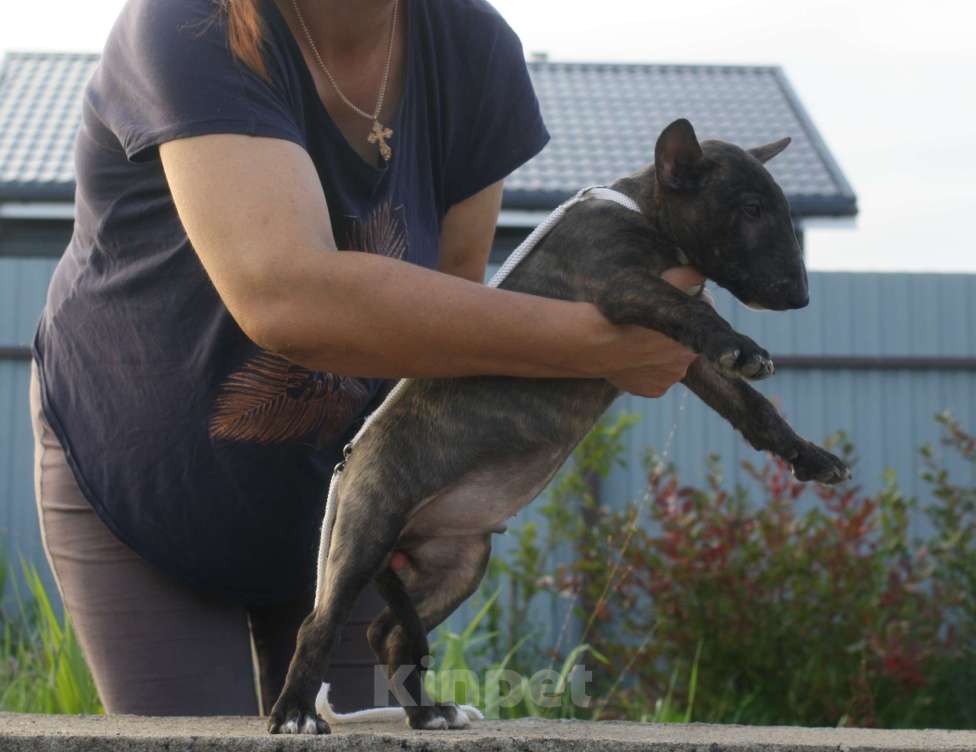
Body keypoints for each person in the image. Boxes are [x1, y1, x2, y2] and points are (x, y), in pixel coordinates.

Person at [29, 0, 702, 717]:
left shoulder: (474, 51)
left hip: (343, 496)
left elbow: (446, 319)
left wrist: (430, 498)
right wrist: (595, 346)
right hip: (148, 480)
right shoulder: (186, 22)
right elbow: (283, 295)